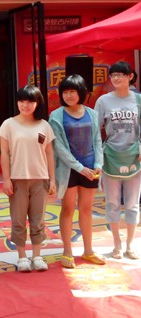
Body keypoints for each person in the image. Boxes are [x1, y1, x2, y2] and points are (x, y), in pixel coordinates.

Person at [49, 75, 105, 268]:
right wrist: (80, 168)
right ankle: (67, 251)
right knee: (67, 209)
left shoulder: (92, 113)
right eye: (65, 92)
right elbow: (59, 148)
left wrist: (98, 163)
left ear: (81, 92)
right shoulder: (56, 116)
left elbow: (97, 140)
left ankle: (88, 250)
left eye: (73, 91)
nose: (69, 95)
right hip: (69, 170)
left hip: (91, 168)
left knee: (87, 209)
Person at [0, 85, 56, 273]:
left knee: (38, 220)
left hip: (40, 178)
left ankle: (37, 256)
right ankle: (22, 257)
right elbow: (4, 154)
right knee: (18, 220)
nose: (25, 105)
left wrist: (52, 179)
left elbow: (49, 154)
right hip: (17, 178)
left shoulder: (44, 125)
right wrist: (6, 179)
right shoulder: (8, 125)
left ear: (37, 103)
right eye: (21, 101)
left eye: (30, 101)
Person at [94, 61, 141, 260]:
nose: (116, 78)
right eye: (113, 75)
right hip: (110, 157)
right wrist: (98, 158)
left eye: (120, 74)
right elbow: (95, 131)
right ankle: (117, 244)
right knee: (112, 203)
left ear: (130, 77)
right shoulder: (103, 101)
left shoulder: (138, 100)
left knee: (132, 204)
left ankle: (130, 244)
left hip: (135, 157)